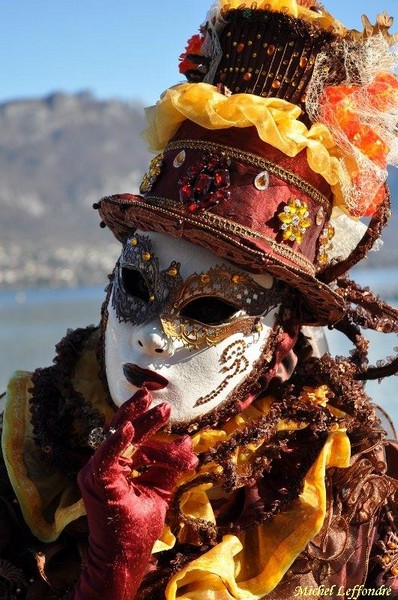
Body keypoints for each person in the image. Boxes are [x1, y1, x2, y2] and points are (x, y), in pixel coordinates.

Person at [1, 0, 398, 598]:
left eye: (209, 308)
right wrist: (110, 571)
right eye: (137, 285)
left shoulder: (346, 499)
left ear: (279, 338)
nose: (152, 334)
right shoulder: (22, 459)